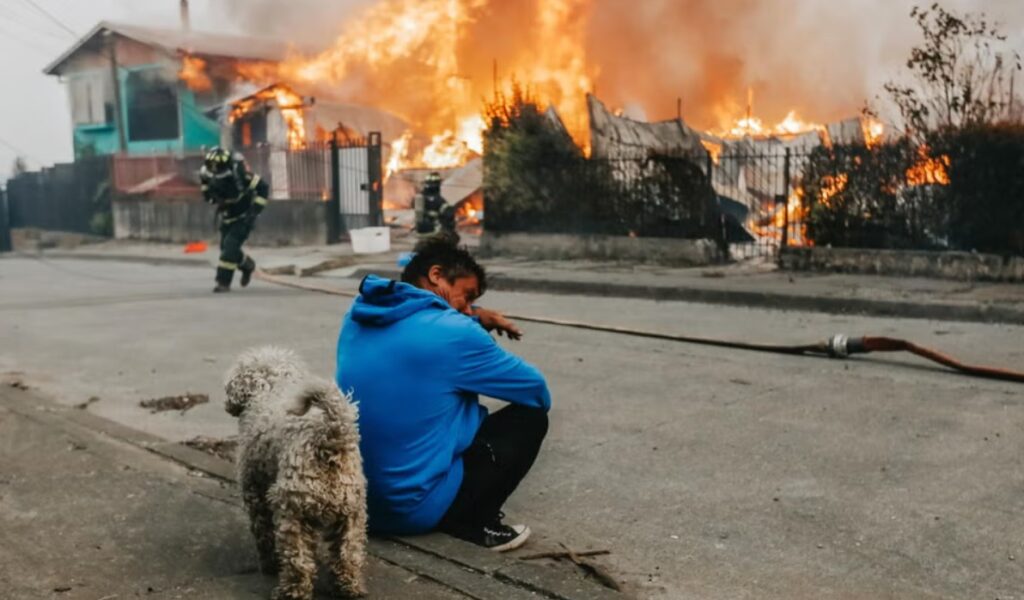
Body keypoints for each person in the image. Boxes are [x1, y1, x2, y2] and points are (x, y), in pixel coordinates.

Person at [335, 236, 550, 552]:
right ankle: (473, 521)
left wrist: (476, 315)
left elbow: (421, 330)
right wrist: (475, 329)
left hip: (354, 504)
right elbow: (536, 392)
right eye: (466, 297)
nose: (466, 310)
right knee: (530, 419)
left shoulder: (357, 316)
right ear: (436, 275)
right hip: (409, 513)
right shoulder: (455, 332)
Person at [198, 147, 269, 293]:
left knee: (229, 248)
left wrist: (254, 211)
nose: (215, 171)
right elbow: (205, 186)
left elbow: (263, 187)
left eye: (218, 168)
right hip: (227, 216)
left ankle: (223, 282)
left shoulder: (240, 174)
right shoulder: (206, 172)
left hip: (244, 216)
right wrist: (210, 197)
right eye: (212, 168)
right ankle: (247, 265)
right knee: (226, 249)